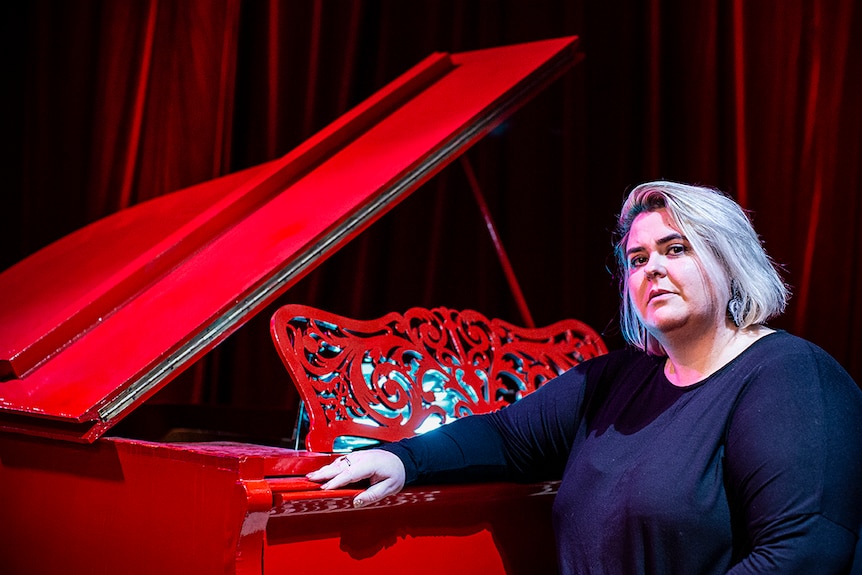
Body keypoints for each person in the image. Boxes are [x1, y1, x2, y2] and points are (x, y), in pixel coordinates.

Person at [306, 180, 862, 574]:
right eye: (637, 259)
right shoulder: (612, 380)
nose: (653, 269)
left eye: (676, 249)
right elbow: (505, 435)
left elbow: (802, 554)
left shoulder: (790, 378)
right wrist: (404, 458)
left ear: (731, 262)